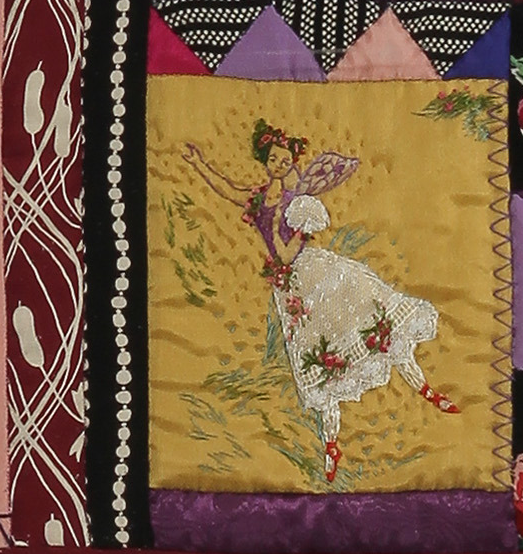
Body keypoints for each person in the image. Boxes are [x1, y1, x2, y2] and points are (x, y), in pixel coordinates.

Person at [174, 116, 463, 485]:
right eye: (273, 159)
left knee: (377, 324)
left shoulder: (299, 204)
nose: (279, 165)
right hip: (292, 293)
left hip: (319, 274)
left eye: (285, 160)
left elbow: (289, 250)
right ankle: (331, 445)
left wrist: (289, 224)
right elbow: (228, 189)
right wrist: (198, 163)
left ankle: (425, 389)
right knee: (317, 363)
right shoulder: (260, 199)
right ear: (265, 161)